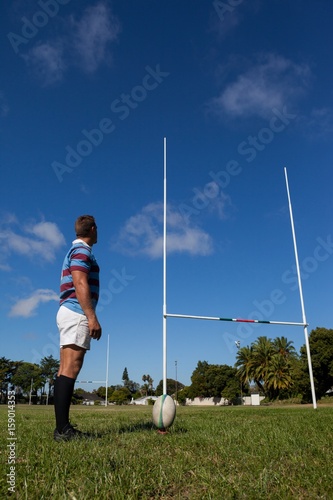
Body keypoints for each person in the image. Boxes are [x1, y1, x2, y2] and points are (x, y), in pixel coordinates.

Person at [53, 215, 102, 442]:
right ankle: (63, 430)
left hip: (68, 311)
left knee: (65, 369)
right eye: (97, 229)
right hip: (76, 312)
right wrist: (91, 317)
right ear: (92, 229)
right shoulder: (82, 251)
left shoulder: (77, 251)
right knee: (70, 369)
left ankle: (62, 428)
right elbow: (80, 282)